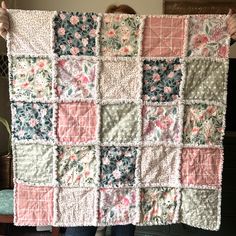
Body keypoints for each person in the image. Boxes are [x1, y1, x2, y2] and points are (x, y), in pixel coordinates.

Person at [0, 1, 236, 236]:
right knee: (79, 231)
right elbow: (45, 50)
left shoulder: (146, 54)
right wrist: (12, 26)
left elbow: (192, 49)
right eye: (116, 25)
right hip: (87, 167)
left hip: (128, 173)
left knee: (123, 232)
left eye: (128, 25)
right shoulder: (91, 51)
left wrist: (226, 33)